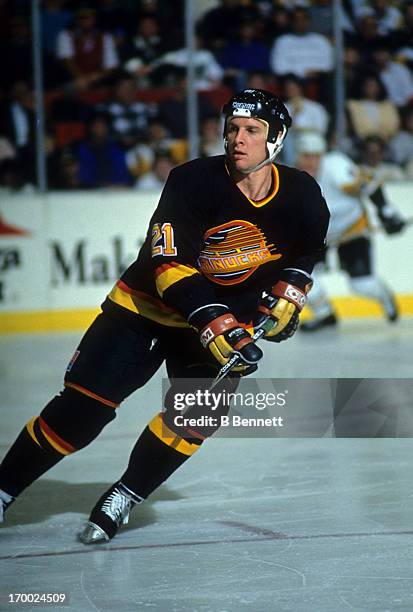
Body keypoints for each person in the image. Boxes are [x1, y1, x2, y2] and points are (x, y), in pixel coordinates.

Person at [0, 89, 329, 543]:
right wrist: (211, 317)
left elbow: (306, 251)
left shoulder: (303, 193)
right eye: (232, 128)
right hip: (145, 311)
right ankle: (3, 489)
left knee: (196, 415)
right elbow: (167, 264)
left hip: (218, 325)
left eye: (251, 131)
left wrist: (290, 293)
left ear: (276, 139)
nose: (238, 139)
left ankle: (126, 494)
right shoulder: (191, 181)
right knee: (79, 414)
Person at [294, 131, 405, 332]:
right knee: (300, 274)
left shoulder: (335, 167)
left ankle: (384, 295)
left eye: (315, 156)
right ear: (297, 157)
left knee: (362, 285)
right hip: (323, 237)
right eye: (305, 156)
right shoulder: (293, 180)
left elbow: (369, 183)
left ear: (323, 155)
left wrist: (386, 212)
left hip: (351, 229)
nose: (310, 162)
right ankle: (324, 314)